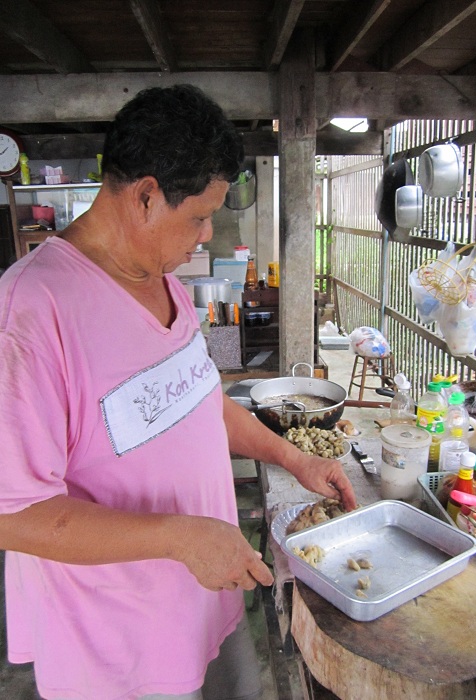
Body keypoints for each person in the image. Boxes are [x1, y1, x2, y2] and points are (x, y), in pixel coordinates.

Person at [0, 84, 357, 700]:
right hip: (118, 653)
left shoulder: (163, 281)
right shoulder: (31, 312)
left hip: (200, 605)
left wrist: (295, 458)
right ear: (144, 196)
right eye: (197, 215)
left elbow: (201, 406)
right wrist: (178, 537)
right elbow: (14, 514)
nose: (205, 233)